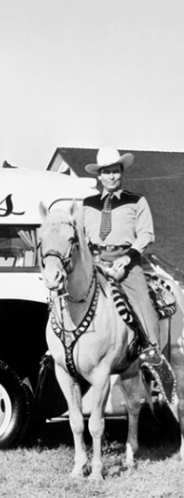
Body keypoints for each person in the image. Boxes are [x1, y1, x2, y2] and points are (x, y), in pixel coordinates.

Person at [78, 146, 175, 399]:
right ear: (99, 176)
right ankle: (66, 348)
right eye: (106, 172)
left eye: (115, 171)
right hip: (95, 262)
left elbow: (146, 234)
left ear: (122, 173)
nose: (111, 177)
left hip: (127, 263)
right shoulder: (86, 204)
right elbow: (80, 236)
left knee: (145, 306)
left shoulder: (136, 200)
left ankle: (152, 355)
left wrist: (126, 258)